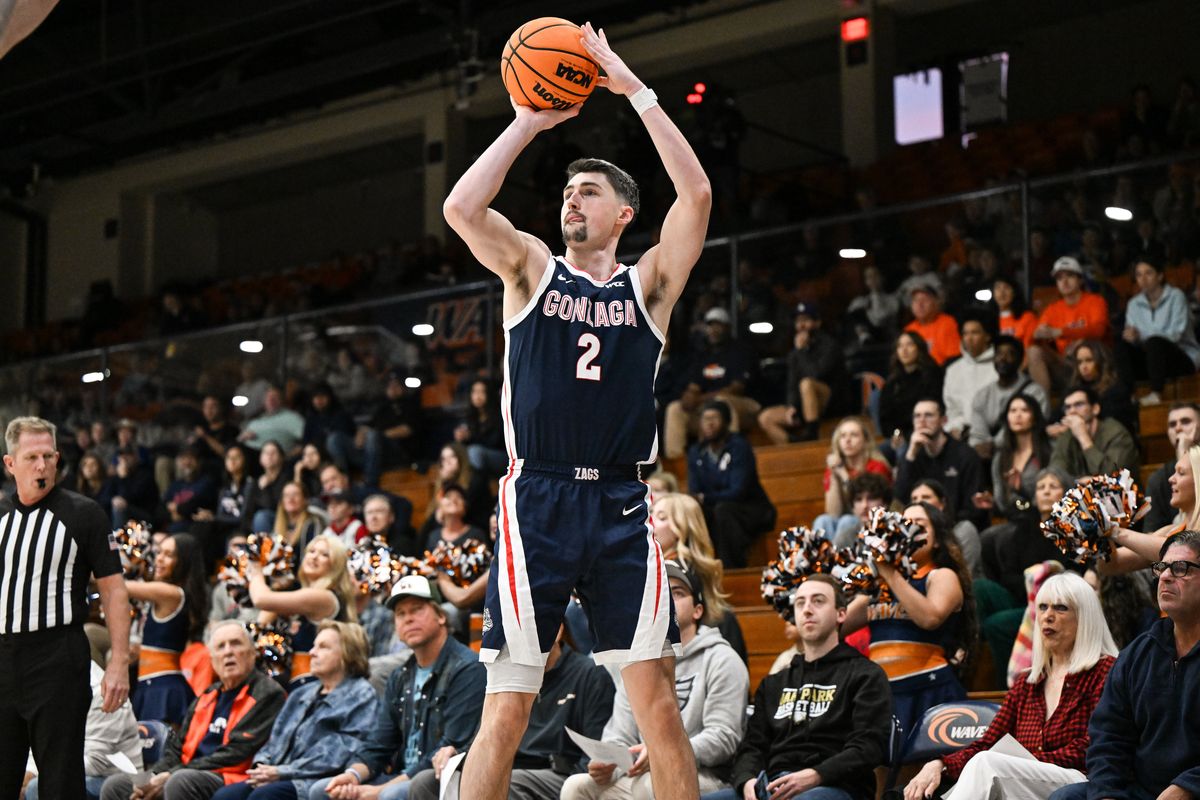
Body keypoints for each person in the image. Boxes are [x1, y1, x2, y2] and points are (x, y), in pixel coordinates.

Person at [441, 22, 711, 800]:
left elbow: (695, 196)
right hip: (541, 497)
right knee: (509, 702)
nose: (571, 198)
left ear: (625, 213)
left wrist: (636, 92)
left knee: (655, 699)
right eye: (566, 191)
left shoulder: (648, 284)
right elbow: (462, 206)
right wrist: (527, 119)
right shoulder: (529, 267)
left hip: (623, 500)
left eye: (588, 191)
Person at [0, 416, 131, 800]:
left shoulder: (83, 513)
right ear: (10, 464)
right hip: (4, 659)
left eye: (48, 456)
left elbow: (114, 591)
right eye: (31, 457)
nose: (41, 466)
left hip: (57, 658)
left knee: (59, 784)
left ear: (58, 459)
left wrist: (119, 662)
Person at [904, 572, 1117, 800]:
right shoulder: (1027, 682)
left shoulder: (1105, 671)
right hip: (1022, 779)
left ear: (1085, 617)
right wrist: (940, 764)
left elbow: (1094, 745)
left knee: (987, 764)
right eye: (1043, 607)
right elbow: (988, 742)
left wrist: (1021, 762)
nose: (1047, 616)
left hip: (1080, 780)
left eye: (1061, 608)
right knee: (972, 771)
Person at [563, 561, 749, 800]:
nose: (667, 599)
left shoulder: (722, 659)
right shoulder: (637, 663)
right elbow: (619, 733)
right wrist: (608, 761)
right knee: (576, 787)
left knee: (649, 785)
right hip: (642, 773)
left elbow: (723, 737)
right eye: (661, 592)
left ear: (697, 610)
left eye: (678, 593)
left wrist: (662, 753)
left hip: (707, 774)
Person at [705, 575, 893, 800]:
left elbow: (868, 747)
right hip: (773, 786)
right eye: (800, 603)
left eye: (818, 601)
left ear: (841, 614)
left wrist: (816, 775)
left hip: (836, 787)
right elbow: (752, 746)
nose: (807, 609)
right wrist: (747, 781)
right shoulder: (774, 683)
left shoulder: (865, 675)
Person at [1049, 530, 1200, 800]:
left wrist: (1188, 787)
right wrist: (1108, 794)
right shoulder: (1137, 654)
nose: (1165, 576)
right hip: (1140, 792)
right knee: (1066, 797)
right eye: (1161, 567)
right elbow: (1108, 737)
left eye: (1181, 568)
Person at [315, 575, 486, 800]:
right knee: (322, 791)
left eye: (417, 609)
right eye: (400, 613)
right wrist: (353, 775)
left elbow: (451, 746)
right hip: (400, 777)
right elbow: (380, 743)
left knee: (391, 796)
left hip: (439, 779)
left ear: (441, 616)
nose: (408, 619)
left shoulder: (468, 668)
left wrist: (377, 792)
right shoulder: (399, 676)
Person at [407, 626, 616, 800]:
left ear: (558, 630)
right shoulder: (507, 676)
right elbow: (486, 736)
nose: (524, 637)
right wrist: (457, 755)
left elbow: (593, 749)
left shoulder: (590, 674)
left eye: (533, 627)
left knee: (507, 783)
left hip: (558, 771)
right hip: (509, 765)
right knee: (425, 783)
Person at [99, 620, 286, 800]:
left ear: (253, 653)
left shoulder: (267, 694)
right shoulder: (206, 696)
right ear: (212, 660)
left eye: (236, 644)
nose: (228, 652)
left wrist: (171, 775)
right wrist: (155, 776)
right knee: (118, 785)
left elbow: (237, 754)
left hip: (233, 776)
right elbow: (176, 748)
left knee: (180, 782)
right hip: (187, 772)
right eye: (221, 647)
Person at [843, 502, 977, 736]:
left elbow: (930, 618)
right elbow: (836, 627)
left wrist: (889, 573)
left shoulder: (941, 576)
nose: (909, 532)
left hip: (930, 690)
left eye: (920, 526)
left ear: (936, 541)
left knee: (928, 769)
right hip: (886, 696)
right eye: (904, 525)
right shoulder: (880, 585)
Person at [209, 622, 380, 800]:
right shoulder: (301, 693)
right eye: (314, 646)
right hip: (278, 775)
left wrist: (281, 772)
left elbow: (339, 752)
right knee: (226, 796)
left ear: (348, 653)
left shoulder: (361, 695)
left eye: (323, 647)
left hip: (318, 780)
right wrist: (262, 767)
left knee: (265, 797)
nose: (312, 652)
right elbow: (274, 741)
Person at [248, 533, 356, 690]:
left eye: (324, 554)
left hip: (317, 687)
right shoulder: (302, 594)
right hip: (295, 687)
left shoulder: (325, 597)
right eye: (312, 551)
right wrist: (276, 584)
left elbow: (260, 599)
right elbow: (261, 627)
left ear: (336, 565)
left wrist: (256, 571)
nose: (314, 557)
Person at [24, 660, 143, 800]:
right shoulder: (50, 688)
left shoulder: (102, 692)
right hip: (71, 770)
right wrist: (29, 772)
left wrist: (38, 773)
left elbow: (96, 762)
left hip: (112, 777)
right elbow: (37, 745)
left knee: (38, 786)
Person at [650, 493, 746, 662]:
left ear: (683, 528)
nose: (650, 522)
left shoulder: (679, 571)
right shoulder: (649, 568)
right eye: (650, 514)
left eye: (661, 517)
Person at [128, 532, 210, 725]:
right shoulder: (167, 593)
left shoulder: (171, 593)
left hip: (164, 689)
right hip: (149, 685)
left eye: (168, 555)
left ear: (183, 562)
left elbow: (116, 586)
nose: (159, 559)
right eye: (159, 553)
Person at [687, 400, 777, 568]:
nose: (710, 423)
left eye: (714, 418)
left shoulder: (739, 446)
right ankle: (695, 568)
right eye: (705, 419)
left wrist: (705, 497)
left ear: (726, 422)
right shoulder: (696, 452)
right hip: (717, 509)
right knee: (690, 511)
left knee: (724, 510)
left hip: (751, 509)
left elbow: (738, 491)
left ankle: (731, 569)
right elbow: (694, 491)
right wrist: (699, 499)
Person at [664, 306, 760, 457]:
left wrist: (701, 399)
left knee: (721, 402)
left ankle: (730, 454)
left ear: (727, 327)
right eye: (710, 325)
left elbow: (737, 388)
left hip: (745, 406)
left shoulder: (739, 351)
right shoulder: (704, 355)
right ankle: (677, 461)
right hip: (709, 407)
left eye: (718, 325)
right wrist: (688, 395)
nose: (713, 329)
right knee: (675, 408)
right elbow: (694, 386)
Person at [758, 301, 848, 443]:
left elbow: (816, 374)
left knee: (807, 384)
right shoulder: (795, 353)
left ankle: (812, 432)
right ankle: (794, 444)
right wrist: (791, 406)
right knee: (765, 417)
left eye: (806, 320)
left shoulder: (829, 346)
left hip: (830, 403)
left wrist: (801, 352)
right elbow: (792, 383)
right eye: (798, 321)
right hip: (803, 405)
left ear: (817, 323)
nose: (801, 325)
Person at [1116, 256, 1200, 406]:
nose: (1143, 278)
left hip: (1180, 358)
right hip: (1151, 361)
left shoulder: (1176, 296)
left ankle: (1156, 393)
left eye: (1148, 273)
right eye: (1139, 275)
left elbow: (1176, 334)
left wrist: (1142, 336)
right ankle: (1128, 395)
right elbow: (1133, 336)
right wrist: (1132, 337)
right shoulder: (1133, 304)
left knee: (1155, 342)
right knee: (1122, 346)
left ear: (1160, 276)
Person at [895, 397, 988, 532]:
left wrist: (943, 527)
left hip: (958, 526)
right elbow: (900, 496)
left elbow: (973, 506)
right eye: (917, 416)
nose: (922, 421)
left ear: (943, 421)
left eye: (929, 415)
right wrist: (910, 455)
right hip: (920, 527)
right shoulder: (912, 455)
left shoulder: (965, 455)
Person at [1026, 257, 1110, 396]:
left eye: (1070, 276)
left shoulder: (1095, 301)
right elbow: (1033, 338)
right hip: (1066, 364)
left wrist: (1061, 332)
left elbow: (1098, 331)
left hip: (1095, 363)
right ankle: (1042, 406)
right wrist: (1039, 335)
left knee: (1083, 344)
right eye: (1059, 278)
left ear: (1080, 280)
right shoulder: (1052, 309)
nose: (1064, 282)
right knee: (1034, 351)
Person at [967, 335, 1050, 460]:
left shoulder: (1034, 392)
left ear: (1020, 360)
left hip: (1022, 451)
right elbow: (977, 432)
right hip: (986, 454)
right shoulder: (983, 394)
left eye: (1010, 354)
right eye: (999, 354)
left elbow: (1035, 427)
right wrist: (979, 445)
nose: (1003, 359)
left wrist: (994, 445)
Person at [812, 417, 892, 541]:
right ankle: (820, 559)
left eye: (854, 435)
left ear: (865, 441)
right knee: (822, 520)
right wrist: (834, 475)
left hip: (871, 520)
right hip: (845, 519)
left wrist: (844, 476)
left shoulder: (877, 466)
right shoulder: (835, 468)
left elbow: (868, 507)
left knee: (848, 520)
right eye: (843, 436)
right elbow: (833, 513)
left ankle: (839, 559)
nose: (847, 440)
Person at [978, 393, 1053, 520]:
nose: (1018, 415)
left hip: (1044, 518)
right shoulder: (1001, 457)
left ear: (1034, 418)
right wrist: (991, 502)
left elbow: (1056, 495)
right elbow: (1002, 505)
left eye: (1024, 410)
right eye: (1013, 411)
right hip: (1013, 520)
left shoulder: (1048, 452)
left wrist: (1021, 489)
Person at [1048, 386, 1139, 479]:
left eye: (1079, 404)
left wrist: (1083, 437)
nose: (1072, 411)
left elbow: (1112, 475)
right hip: (1078, 492)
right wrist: (1078, 482)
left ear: (1095, 409)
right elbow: (1056, 474)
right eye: (1067, 407)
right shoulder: (1066, 434)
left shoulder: (1117, 433)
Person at [875, 332, 944, 453]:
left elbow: (934, 411)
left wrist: (906, 435)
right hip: (899, 436)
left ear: (919, 348)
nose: (904, 350)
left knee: (903, 451)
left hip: (925, 433)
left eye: (910, 345)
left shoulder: (932, 375)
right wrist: (896, 433)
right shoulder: (892, 382)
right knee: (875, 455)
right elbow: (886, 418)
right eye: (900, 346)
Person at [1056, 340, 1136, 437]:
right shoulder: (1074, 389)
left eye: (1089, 360)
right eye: (1080, 362)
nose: (1084, 367)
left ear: (1101, 362)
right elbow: (1055, 417)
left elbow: (1113, 425)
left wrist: (1074, 426)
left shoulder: (1116, 390)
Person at [943, 309, 998, 440]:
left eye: (975, 332)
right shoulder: (953, 370)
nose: (969, 338)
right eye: (965, 333)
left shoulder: (999, 366)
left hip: (992, 433)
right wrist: (956, 427)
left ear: (987, 336)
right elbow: (952, 410)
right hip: (962, 433)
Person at [1143, 403, 1199, 531]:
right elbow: (1151, 532)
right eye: (1172, 424)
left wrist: (1184, 453)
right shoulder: (1158, 479)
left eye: (1186, 421)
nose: (1178, 428)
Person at [419, 443, 491, 537]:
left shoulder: (474, 479)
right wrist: (443, 482)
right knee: (427, 529)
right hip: (452, 528)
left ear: (461, 458)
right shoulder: (447, 482)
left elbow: (460, 510)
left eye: (452, 457)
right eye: (444, 459)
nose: (447, 462)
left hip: (474, 527)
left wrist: (446, 482)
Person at [454, 378, 507, 478]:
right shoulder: (470, 416)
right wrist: (461, 437)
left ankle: (478, 486)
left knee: (475, 452)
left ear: (489, 394)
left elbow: (494, 442)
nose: (477, 396)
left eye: (481, 392)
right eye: (474, 392)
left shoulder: (499, 414)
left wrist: (470, 436)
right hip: (479, 459)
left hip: (502, 457)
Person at [903, 277, 960, 366]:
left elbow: (953, 359)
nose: (920, 304)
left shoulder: (947, 323)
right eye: (915, 300)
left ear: (936, 303)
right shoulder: (909, 330)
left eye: (925, 299)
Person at [830, 473, 893, 550]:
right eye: (859, 499)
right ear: (852, 506)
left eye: (871, 498)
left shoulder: (895, 534)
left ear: (885, 503)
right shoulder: (845, 537)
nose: (864, 505)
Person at [240, 387, 305, 456]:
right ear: (264, 401)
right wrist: (243, 437)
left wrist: (290, 456)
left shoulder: (292, 418)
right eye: (268, 397)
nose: (271, 400)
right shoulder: (255, 420)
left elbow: (308, 439)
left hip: (273, 460)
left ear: (281, 400)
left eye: (275, 397)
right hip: (246, 456)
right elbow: (239, 440)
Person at [272, 481, 322, 553]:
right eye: (286, 495)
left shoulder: (312, 524)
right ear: (282, 502)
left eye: (295, 494)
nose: (291, 499)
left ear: (305, 500)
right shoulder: (279, 525)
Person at [993, 275, 1037, 349]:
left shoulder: (1028, 318)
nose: (1002, 292)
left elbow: (1029, 350)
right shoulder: (988, 320)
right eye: (998, 288)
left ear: (1014, 292)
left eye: (1006, 287)